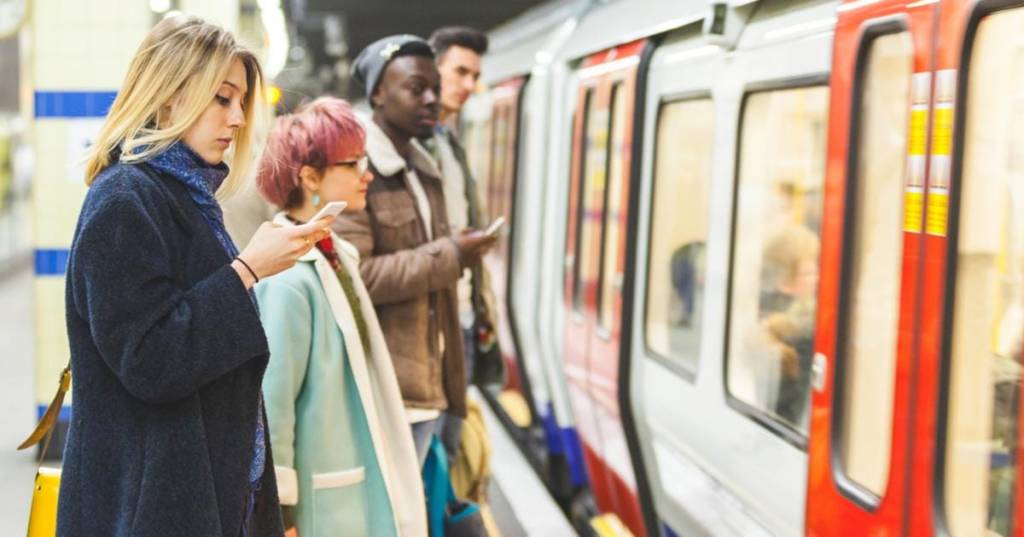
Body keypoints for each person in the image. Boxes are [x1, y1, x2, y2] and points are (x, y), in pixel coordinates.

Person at [59, 15, 333, 537]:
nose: (236, 119)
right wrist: (249, 269)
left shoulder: (184, 196)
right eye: (221, 98)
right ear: (167, 97)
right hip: (151, 507)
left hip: (197, 493)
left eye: (241, 102)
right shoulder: (123, 201)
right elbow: (150, 361)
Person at [255, 97, 427, 537]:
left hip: (350, 483)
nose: (367, 174)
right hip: (321, 504)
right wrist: (283, 514)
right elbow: (273, 405)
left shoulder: (336, 254)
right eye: (352, 164)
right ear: (310, 177)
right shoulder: (287, 280)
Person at [334, 34, 496, 465]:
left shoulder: (423, 170)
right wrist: (453, 256)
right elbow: (355, 277)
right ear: (378, 94)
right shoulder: (356, 170)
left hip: (432, 383)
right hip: (390, 394)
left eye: (434, 89)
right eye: (415, 88)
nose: (431, 99)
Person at [426, 26, 504, 464]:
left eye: (475, 75)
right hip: (435, 329)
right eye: (460, 72)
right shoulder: (412, 148)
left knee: (449, 452)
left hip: (463, 318)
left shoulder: (449, 143)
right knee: (434, 456)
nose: (470, 86)